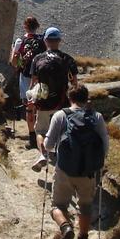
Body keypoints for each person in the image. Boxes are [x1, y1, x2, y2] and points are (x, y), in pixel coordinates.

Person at [44, 84, 109, 239]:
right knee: (85, 206)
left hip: (64, 169)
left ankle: (66, 228)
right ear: (86, 98)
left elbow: (49, 145)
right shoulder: (96, 117)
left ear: (69, 98)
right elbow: (104, 145)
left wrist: (46, 145)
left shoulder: (60, 115)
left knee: (57, 205)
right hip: (88, 171)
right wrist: (98, 164)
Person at [29, 26, 78, 170]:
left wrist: (31, 99)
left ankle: (43, 154)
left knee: (41, 130)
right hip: (62, 101)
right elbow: (74, 82)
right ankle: (62, 158)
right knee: (63, 130)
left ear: (45, 41)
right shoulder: (67, 59)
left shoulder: (37, 58)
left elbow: (33, 82)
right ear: (59, 41)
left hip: (43, 101)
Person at [11, 15, 46, 149]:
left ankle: (32, 138)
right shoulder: (43, 39)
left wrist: (18, 63)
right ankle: (41, 134)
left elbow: (14, 61)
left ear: (25, 26)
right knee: (40, 104)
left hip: (26, 76)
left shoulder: (21, 40)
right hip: (41, 76)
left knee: (29, 105)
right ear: (37, 27)